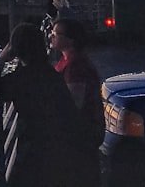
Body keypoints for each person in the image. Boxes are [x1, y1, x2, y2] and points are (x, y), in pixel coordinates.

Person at [0, 22, 88, 187]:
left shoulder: (20, 79)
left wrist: (3, 57)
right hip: (63, 150)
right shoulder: (52, 74)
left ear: (16, 50)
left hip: (35, 153)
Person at [49, 18, 104, 186]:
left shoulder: (76, 66)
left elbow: (74, 103)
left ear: (70, 40)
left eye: (55, 34)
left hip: (78, 139)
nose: (51, 36)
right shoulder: (68, 60)